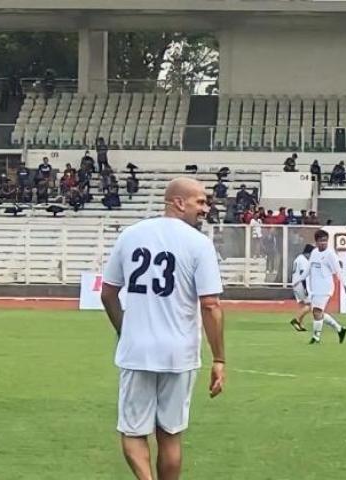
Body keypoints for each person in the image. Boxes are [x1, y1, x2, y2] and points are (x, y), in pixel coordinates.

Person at [100, 177, 226, 480]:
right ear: (178, 202)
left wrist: (123, 330)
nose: (206, 208)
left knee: (133, 431)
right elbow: (210, 305)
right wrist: (219, 358)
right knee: (170, 435)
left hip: (137, 350)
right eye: (200, 202)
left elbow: (108, 293)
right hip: (179, 354)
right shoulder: (199, 244)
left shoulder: (131, 235)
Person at [294, 229, 346, 345]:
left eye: (325, 241)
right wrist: (299, 280)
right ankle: (340, 329)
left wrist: (345, 286)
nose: (323, 243)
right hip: (315, 287)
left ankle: (316, 337)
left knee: (317, 311)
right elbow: (308, 269)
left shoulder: (330, 254)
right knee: (318, 312)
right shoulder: (314, 252)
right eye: (321, 241)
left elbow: (338, 271)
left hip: (325, 287)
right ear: (316, 242)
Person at [289, 244, 315, 333]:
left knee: (302, 305)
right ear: (308, 253)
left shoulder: (298, 259)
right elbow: (303, 276)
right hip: (300, 284)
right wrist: (306, 289)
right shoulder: (304, 261)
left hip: (295, 284)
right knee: (310, 305)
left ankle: (299, 324)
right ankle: (296, 320)